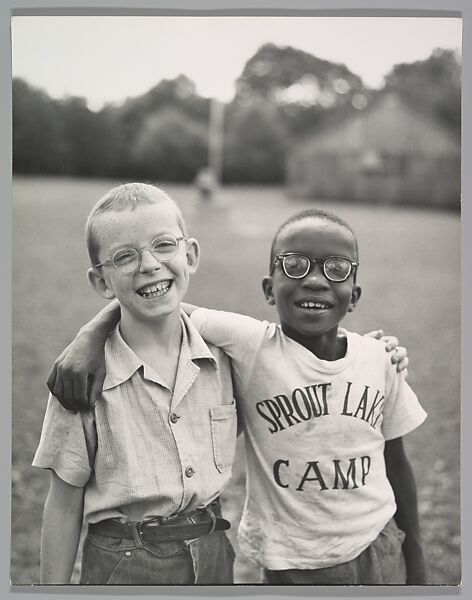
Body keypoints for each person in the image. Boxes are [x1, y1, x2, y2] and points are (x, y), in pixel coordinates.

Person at [46, 202, 417, 585]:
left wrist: (419, 569)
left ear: (354, 295)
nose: (315, 281)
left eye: (335, 269)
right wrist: (88, 337)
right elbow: (157, 303)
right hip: (285, 563)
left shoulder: (375, 359)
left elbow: (397, 463)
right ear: (269, 289)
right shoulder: (248, 343)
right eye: (295, 265)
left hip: (371, 548)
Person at [32, 183, 237, 585]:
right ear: (101, 282)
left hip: (213, 553)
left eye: (164, 246)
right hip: (125, 562)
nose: (149, 265)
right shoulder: (82, 377)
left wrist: (372, 354)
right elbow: (62, 504)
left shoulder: (227, 354)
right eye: (125, 256)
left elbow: (290, 354)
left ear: (190, 254)